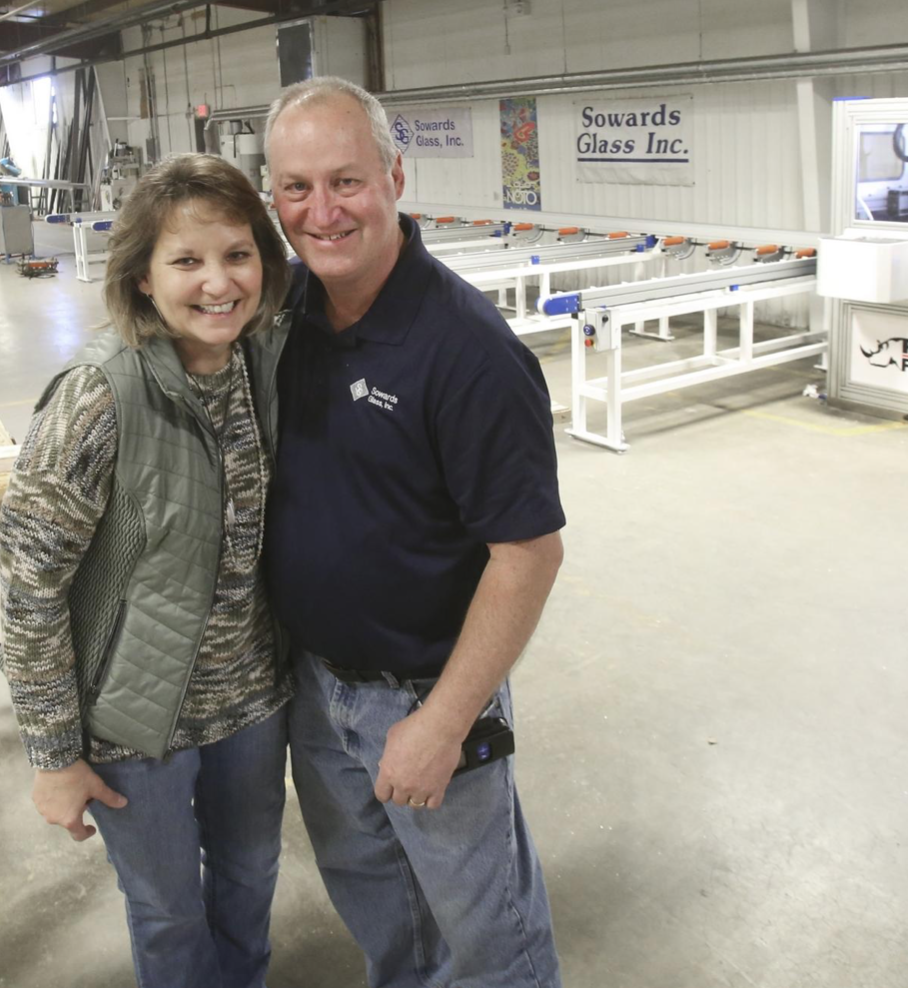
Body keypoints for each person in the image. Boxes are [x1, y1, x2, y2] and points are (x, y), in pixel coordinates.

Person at [264, 77, 567, 988]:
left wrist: (444, 721)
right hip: (317, 695)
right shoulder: (285, 315)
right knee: (382, 916)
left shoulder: (467, 351)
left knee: (488, 941)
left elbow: (529, 553)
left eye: (347, 181)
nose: (322, 212)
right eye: (296, 188)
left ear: (396, 175)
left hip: (426, 697)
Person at [0, 152, 293, 988]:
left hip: (251, 703)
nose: (218, 283)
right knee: (167, 913)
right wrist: (54, 757)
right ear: (140, 280)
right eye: (186, 261)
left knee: (250, 882)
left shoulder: (261, 362)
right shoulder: (97, 398)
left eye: (238, 255)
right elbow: (29, 592)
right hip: (132, 728)